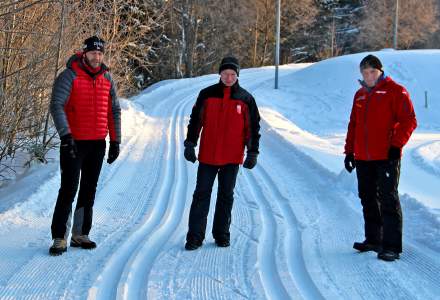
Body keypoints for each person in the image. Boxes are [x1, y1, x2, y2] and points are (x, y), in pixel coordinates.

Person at [48, 36, 121, 256]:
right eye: (93, 53)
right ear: (85, 53)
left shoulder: (107, 78)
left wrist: (115, 141)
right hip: (73, 142)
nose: (96, 57)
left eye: (100, 53)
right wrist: (66, 135)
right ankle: (59, 237)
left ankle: (80, 234)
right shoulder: (69, 75)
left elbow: (114, 111)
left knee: (89, 189)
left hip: (97, 143)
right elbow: (56, 106)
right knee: (69, 188)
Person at [344, 54, 417, 261]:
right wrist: (349, 151)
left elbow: (409, 121)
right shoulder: (359, 95)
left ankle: (392, 246)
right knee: (367, 197)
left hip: (386, 156)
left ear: (380, 71)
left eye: (372, 72)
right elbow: (354, 125)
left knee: (388, 199)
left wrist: (396, 146)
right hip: (363, 157)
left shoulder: (396, 91)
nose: (368, 76)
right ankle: (374, 239)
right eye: (365, 73)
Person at [183, 56, 261, 250]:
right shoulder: (207, 95)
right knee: (201, 195)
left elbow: (253, 128)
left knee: (226, 196)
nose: (228, 78)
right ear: (220, 74)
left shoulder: (246, 99)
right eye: (225, 73)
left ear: (237, 76)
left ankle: (221, 234)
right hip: (208, 155)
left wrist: (252, 152)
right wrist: (190, 143)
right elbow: (196, 121)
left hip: (232, 158)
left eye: (232, 74)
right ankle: (195, 237)